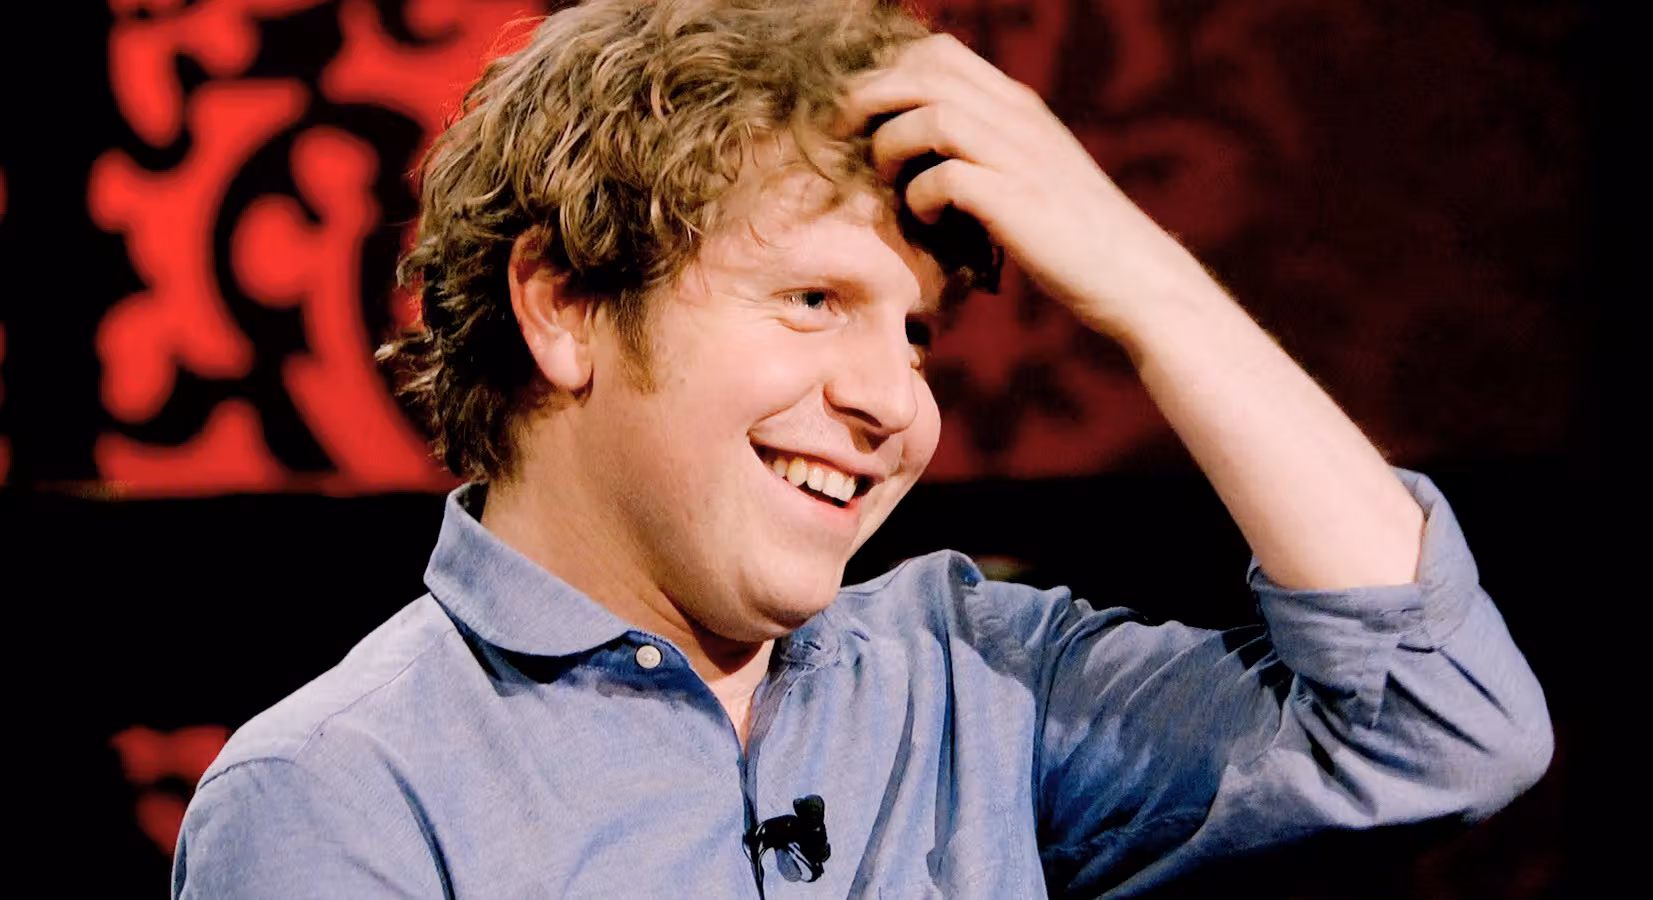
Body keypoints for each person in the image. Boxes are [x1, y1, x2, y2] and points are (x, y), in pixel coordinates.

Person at [172, 0, 1552, 896]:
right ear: (566, 304)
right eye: (814, 299)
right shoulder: (337, 802)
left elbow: (1440, 734)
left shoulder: (979, 680)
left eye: (918, 334)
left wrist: (1145, 283)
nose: (897, 403)